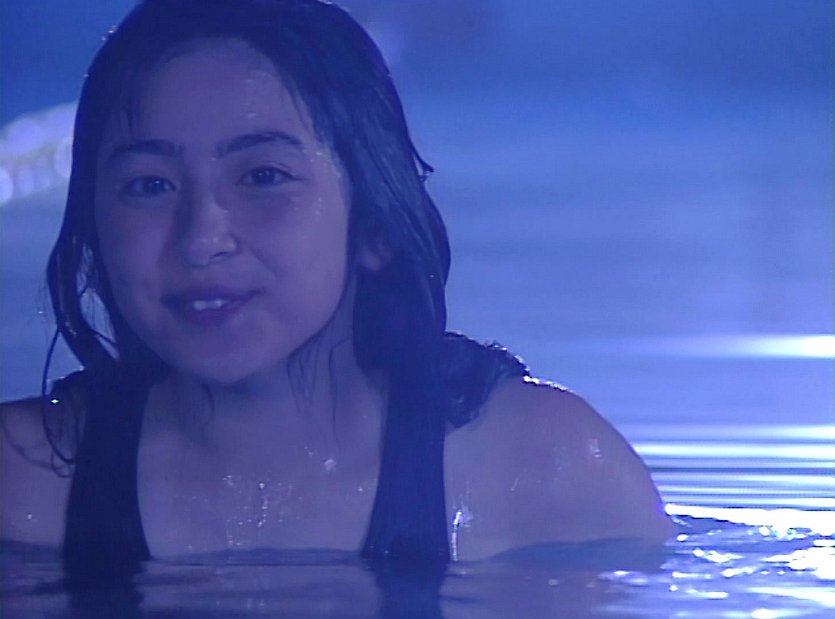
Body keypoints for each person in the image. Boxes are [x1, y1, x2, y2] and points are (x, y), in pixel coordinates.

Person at [0, 0, 675, 573]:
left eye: (263, 177)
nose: (201, 238)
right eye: (149, 185)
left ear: (375, 225)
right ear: (94, 227)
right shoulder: (25, 483)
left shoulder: (539, 473)